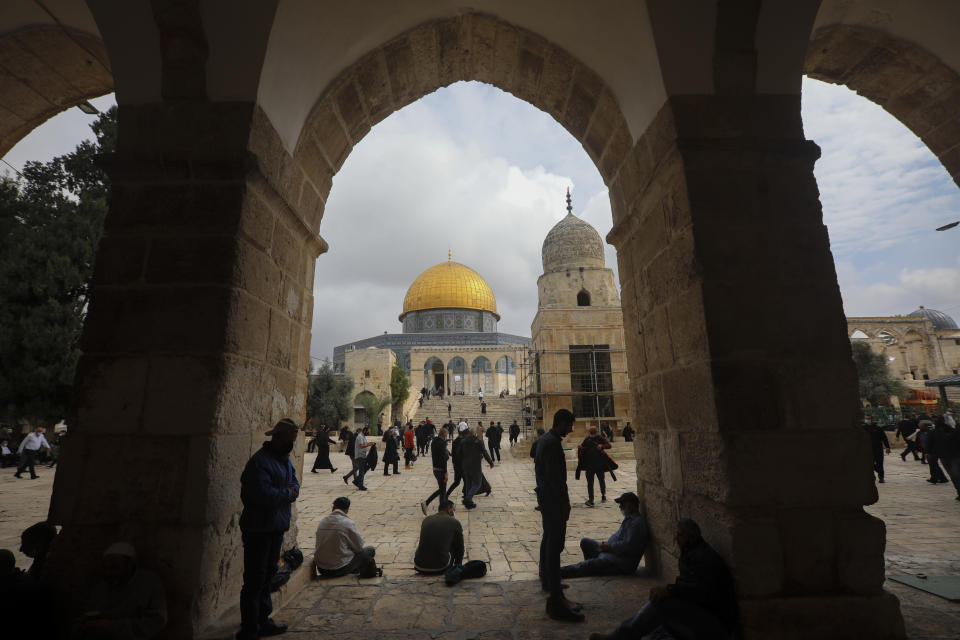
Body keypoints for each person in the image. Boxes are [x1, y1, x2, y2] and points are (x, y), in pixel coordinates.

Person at [589, 519, 737, 640]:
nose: (676, 539)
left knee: (663, 603)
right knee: (659, 614)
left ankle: (620, 637)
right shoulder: (693, 553)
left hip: (716, 626)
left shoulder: (704, 558)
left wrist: (670, 590)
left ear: (691, 537)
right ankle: (623, 634)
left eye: (680, 535)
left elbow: (703, 592)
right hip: (706, 616)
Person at [237, 418, 300, 640]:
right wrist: (287, 495)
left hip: (275, 527)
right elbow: (263, 495)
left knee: (268, 576)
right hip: (258, 529)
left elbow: (295, 484)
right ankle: (249, 629)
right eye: (290, 440)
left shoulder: (284, 460)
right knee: (255, 579)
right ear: (278, 438)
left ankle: (263, 621)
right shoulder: (259, 463)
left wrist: (287, 493)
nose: (292, 444)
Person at [535, 409, 583, 622]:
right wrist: (565, 502)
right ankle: (556, 595)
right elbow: (556, 477)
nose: (571, 429)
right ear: (561, 423)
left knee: (548, 539)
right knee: (555, 545)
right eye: (569, 425)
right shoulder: (552, 443)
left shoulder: (545, 439)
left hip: (545, 497)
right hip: (553, 499)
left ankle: (548, 580)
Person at [74, 542, 167, 639]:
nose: (109, 573)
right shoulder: (102, 585)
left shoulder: (149, 582)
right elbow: (91, 613)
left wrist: (111, 626)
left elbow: (157, 621)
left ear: (130, 564)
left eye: (115, 567)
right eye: (106, 568)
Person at [561, 492, 648, 578]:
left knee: (582, 566)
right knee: (585, 542)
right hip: (611, 553)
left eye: (622, 504)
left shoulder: (636, 524)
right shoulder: (629, 519)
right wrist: (607, 545)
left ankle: (557, 573)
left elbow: (628, 546)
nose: (620, 507)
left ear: (631, 505)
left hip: (619, 562)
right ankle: (594, 567)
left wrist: (610, 546)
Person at [314, 497, 377, 577]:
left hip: (321, 568)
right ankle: (354, 568)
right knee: (370, 550)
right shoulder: (347, 523)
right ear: (347, 510)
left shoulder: (323, 521)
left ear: (333, 508)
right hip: (338, 569)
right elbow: (359, 548)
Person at [414, 500, 464, 573]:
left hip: (419, 565)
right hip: (441, 566)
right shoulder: (454, 522)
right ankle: (456, 566)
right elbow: (460, 547)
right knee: (455, 542)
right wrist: (458, 565)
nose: (454, 511)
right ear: (449, 509)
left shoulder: (426, 519)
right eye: (453, 509)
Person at [577, 426, 615, 505]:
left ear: (596, 431)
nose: (592, 433)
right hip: (589, 465)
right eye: (591, 432)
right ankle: (591, 499)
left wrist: (602, 446)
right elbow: (583, 447)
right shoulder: (587, 439)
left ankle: (603, 494)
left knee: (601, 480)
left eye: (593, 432)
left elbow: (609, 445)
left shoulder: (600, 438)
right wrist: (580, 447)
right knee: (590, 482)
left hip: (599, 464)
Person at [460, 425, 494, 510]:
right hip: (475, 466)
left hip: (466, 466)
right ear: (475, 433)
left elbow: (459, 454)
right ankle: (467, 499)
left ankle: (469, 503)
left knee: (468, 484)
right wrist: (490, 462)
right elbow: (485, 452)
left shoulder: (463, 441)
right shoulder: (478, 441)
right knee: (477, 484)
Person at [421, 427, 450, 514]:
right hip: (441, 469)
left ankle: (442, 509)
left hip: (435, 468)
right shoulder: (442, 444)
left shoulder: (434, 441)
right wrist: (446, 472)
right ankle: (426, 503)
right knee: (442, 490)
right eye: (446, 434)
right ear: (444, 434)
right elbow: (443, 459)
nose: (447, 435)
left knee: (442, 490)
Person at [862, 416, 891, 483]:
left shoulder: (878, 428)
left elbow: (884, 438)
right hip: (867, 449)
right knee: (869, 463)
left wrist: (887, 447)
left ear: (872, 419)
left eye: (868, 419)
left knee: (879, 463)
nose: (867, 420)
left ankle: (881, 477)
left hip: (878, 449)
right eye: (866, 419)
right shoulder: (863, 428)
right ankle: (872, 477)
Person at [445, 424, 469, 501]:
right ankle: (466, 497)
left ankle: (447, 495)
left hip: (456, 464)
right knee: (465, 481)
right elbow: (460, 454)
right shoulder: (462, 442)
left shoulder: (456, 440)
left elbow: (453, 453)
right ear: (464, 435)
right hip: (461, 465)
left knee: (457, 482)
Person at [352, 426, 373, 490]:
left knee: (364, 469)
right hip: (359, 456)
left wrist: (370, 443)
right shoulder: (360, 436)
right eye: (368, 431)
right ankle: (360, 485)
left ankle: (356, 481)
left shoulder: (363, 436)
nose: (368, 433)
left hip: (363, 455)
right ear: (364, 431)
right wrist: (369, 445)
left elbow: (364, 443)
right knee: (361, 471)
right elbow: (361, 446)